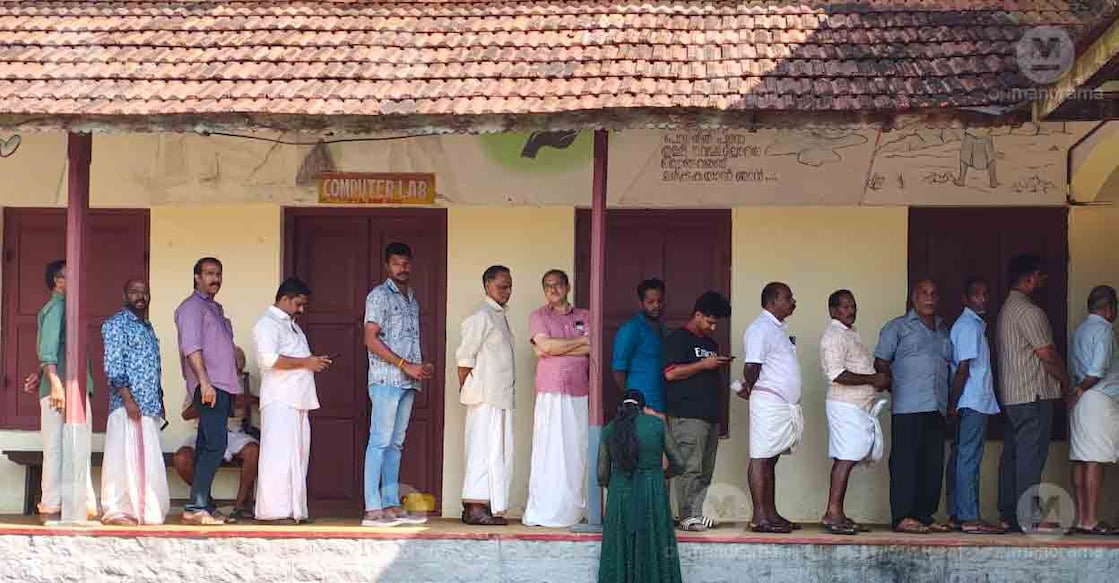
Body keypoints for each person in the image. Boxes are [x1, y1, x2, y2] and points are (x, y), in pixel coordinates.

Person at [996, 253, 1069, 533]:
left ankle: (1009, 513)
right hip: (1034, 394)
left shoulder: (1007, 309)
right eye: (1041, 276)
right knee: (1030, 457)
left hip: (1014, 395)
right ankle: (1030, 517)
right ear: (1030, 277)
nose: (1044, 281)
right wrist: (1066, 381)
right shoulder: (1029, 312)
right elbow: (1047, 355)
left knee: (1014, 455)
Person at [362, 242, 434, 527]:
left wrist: (420, 365)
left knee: (396, 444)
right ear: (386, 266)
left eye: (405, 264)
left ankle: (391, 504)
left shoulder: (411, 298)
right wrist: (406, 365)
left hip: (408, 381)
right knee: (379, 441)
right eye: (396, 264)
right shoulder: (379, 296)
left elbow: (406, 339)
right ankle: (372, 508)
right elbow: (370, 338)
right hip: (386, 379)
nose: (402, 269)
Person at [874, 279, 952, 534]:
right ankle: (902, 516)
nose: (928, 298)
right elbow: (881, 363)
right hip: (908, 405)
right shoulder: (897, 328)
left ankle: (924, 515)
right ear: (913, 297)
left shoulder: (943, 329)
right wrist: (894, 386)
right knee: (905, 463)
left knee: (932, 463)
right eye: (923, 293)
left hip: (936, 405)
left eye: (933, 293)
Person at [253, 277, 331, 524]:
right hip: (279, 399)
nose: (301, 309)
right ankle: (272, 511)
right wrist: (305, 362)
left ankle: (293, 510)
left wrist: (312, 361)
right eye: (298, 303)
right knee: (278, 457)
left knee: (297, 456)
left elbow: (297, 358)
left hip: (297, 399)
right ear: (284, 299)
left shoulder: (292, 325)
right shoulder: (267, 324)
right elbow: (267, 360)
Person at [174, 256, 241, 525]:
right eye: (209, 273)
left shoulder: (214, 308)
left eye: (219, 274)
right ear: (196, 277)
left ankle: (205, 505)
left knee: (206, 446)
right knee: (216, 445)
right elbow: (191, 347)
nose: (215, 278)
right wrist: (204, 382)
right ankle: (195, 507)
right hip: (210, 386)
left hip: (222, 386)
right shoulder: (191, 308)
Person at [817, 290, 890, 535]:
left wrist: (876, 380)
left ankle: (837, 512)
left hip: (858, 406)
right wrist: (873, 378)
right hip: (844, 404)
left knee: (849, 456)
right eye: (845, 307)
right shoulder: (833, 335)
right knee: (845, 458)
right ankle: (832, 513)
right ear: (833, 311)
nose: (850, 310)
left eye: (853, 306)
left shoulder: (849, 333)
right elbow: (836, 374)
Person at [30, 260, 97, 523]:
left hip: (72, 386)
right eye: (71, 276)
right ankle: (51, 504)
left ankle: (79, 502)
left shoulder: (67, 309)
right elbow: (47, 350)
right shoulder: (56, 308)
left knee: (76, 446)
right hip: (61, 389)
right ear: (58, 281)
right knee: (57, 447)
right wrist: (55, 383)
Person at [524, 269, 591, 527]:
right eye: (548, 286)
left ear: (568, 286)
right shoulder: (538, 316)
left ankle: (571, 511)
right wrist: (577, 344)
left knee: (575, 449)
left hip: (578, 390)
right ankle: (546, 511)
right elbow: (547, 346)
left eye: (558, 284)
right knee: (548, 450)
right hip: (550, 391)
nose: (553, 290)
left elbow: (591, 345)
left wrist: (553, 347)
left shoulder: (585, 316)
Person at [100, 279, 169, 526]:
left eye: (144, 292)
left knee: (146, 459)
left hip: (148, 407)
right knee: (124, 458)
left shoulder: (147, 327)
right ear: (124, 295)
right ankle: (120, 511)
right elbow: (113, 366)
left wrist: (159, 401)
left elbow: (154, 368)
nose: (140, 296)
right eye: (134, 292)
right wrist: (128, 399)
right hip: (129, 406)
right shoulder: (116, 325)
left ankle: (146, 510)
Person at [597, 390, 684, 583]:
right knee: (653, 542)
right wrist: (661, 475)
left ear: (621, 407)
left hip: (620, 492)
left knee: (620, 547)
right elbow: (679, 463)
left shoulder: (609, 429)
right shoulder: (656, 425)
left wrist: (615, 483)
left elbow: (602, 475)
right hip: (652, 489)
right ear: (644, 408)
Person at [736, 282, 802, 534]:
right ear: (772, 301)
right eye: (788, 297)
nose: (793, 301)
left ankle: (771, 514)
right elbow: (751, 367)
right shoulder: (760, 328)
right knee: (761, 457)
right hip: (768, 403)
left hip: (781, 404)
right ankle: (759, 517)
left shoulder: (779, 329)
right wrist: (751, 390)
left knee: (770, 458)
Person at [663, 291, 732, 532]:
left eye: (716, 323)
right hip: (686, 413)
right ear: (698, 314)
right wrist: (704, 364)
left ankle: (696, 512)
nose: (713, 327)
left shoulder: (710, 344)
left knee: (705, 468)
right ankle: (686, 515)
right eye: (710, 321)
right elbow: (670, 373)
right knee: (689, 466)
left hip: (710, 414)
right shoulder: (678, 339)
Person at [455, 266, 516, 526]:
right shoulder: (481, 316)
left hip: (499, 397)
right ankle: (475, 506)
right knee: (481, 451)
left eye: (509, 286)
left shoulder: (499, 316)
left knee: (496, 452)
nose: (507, 291)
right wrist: (468, 388)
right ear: (487, 286)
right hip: (484, 397)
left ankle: (486, 506)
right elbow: (464, 358)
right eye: (502, 286)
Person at [172, 346, 259, 521]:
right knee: (181, 458)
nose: (235, 369)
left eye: (237, 366)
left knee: (253, 451)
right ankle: (205, 501)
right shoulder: (200, 382)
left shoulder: (248, 381)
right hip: (203, 430)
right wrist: (211, 404)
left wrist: (239, 401)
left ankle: (240, 505)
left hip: (234, 432)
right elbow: (186, 414)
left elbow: (259, 401)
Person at [946, 278, 1004, 534]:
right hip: (972, 400)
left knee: (961, 456)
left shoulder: (972, 324)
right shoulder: (969, 325)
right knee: (969, 458)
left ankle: (958, 514)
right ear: (965, 299)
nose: (982, 299)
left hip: (968, 400)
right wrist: (953, 402)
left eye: (985, 294)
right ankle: (969, 517)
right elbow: (963, 369)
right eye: (976, 295)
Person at [1067, 285, 1119, 535]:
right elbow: (1097, 371)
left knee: (1080, 458)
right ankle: (1091, 520)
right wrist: (1081, 387)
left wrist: (1077, 390)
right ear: (1109, 308)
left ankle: (1080, 518)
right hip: (1097, 399)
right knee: (1095, 460)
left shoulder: (1080, 330)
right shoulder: (1104, 330)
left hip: (1080, 403)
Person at [612, 278, 667, 414]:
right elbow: (618, 370)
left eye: (659, 301)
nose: (656, 305)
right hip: (641, 402)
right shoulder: (631, 328)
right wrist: (631, 396)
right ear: (641, 303)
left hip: (663, 399)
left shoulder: (663, 327)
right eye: (651, 302)